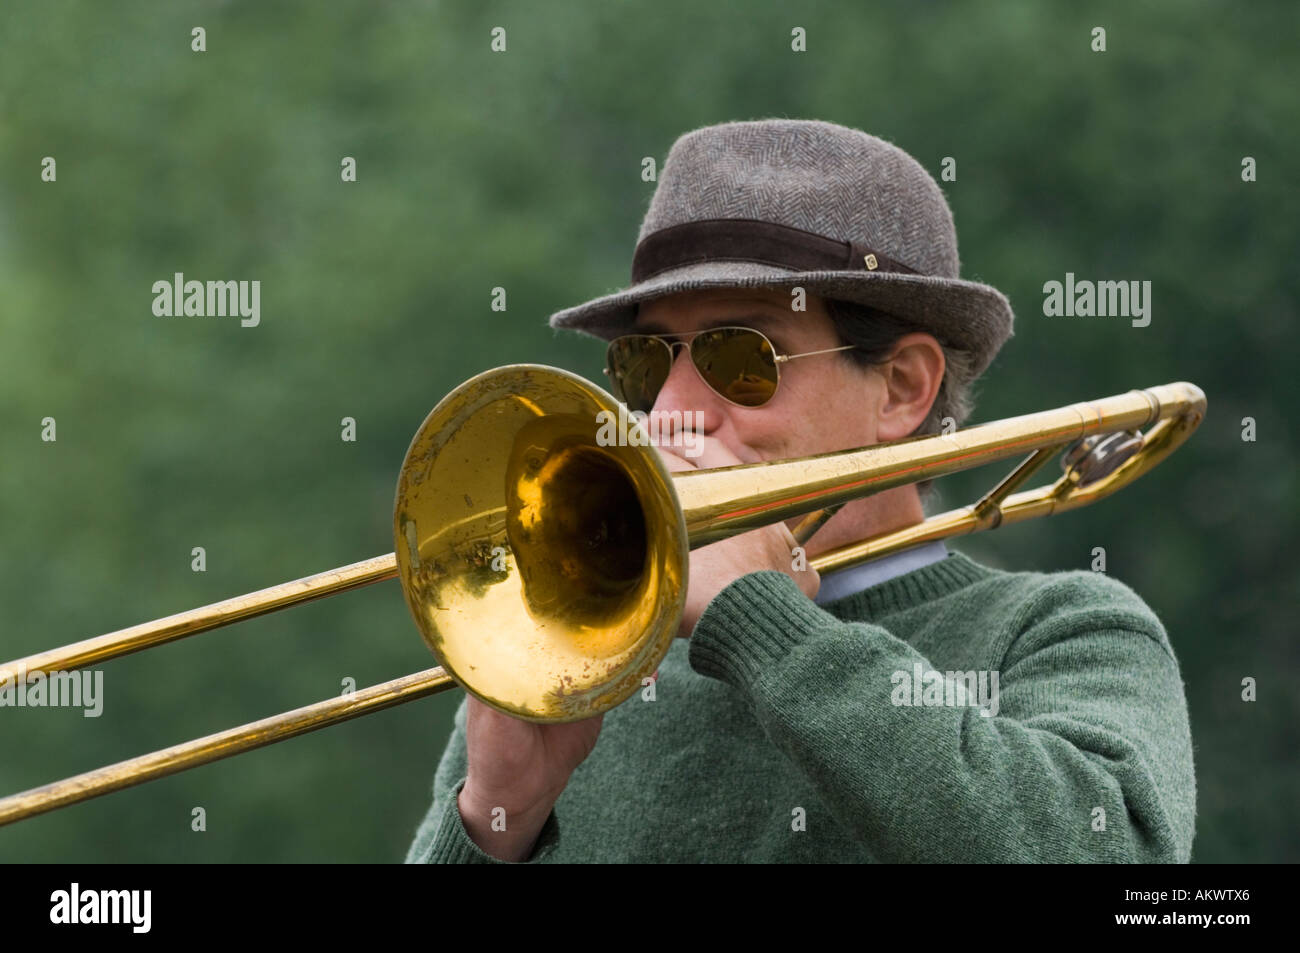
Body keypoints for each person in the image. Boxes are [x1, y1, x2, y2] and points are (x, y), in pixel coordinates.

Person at [404, 118, 1196, 863]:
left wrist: (761, 621)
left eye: (740, 356)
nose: (669, 412)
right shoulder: (567, 660)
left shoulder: (1064, 628)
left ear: (900, 388)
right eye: (645, 363)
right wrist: (494, 819)